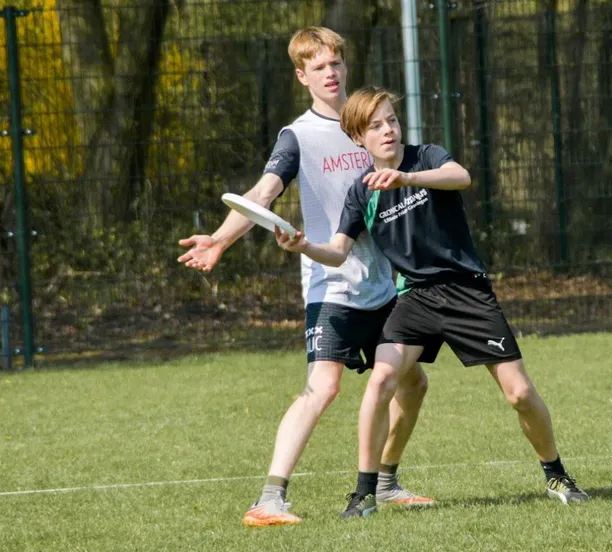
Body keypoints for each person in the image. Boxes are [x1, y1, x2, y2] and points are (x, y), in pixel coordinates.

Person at [275, 85, 589, 519]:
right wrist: (304, 246)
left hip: (467, 291)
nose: (388, 130)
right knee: (381, 382)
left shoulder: (426, 157)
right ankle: (365, 493)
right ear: (358, 138)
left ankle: (556, 474)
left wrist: (407, 178)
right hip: (415, 299)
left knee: (519, 393)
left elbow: (461, 176)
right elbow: (338, 251)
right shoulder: (361, 192)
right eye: (375, 125)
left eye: (391, 120)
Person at [177, 29, 433, 527]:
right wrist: (220, 240)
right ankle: (269, 499)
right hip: (330, 285)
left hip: (384, 285)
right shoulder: (298, 136)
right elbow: (263, 193)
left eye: (336, 63)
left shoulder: (371, 123)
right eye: (318, 67)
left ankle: (386, 483)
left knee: (414, 384)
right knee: (323, 387)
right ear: (302, 76)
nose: (330, 73)